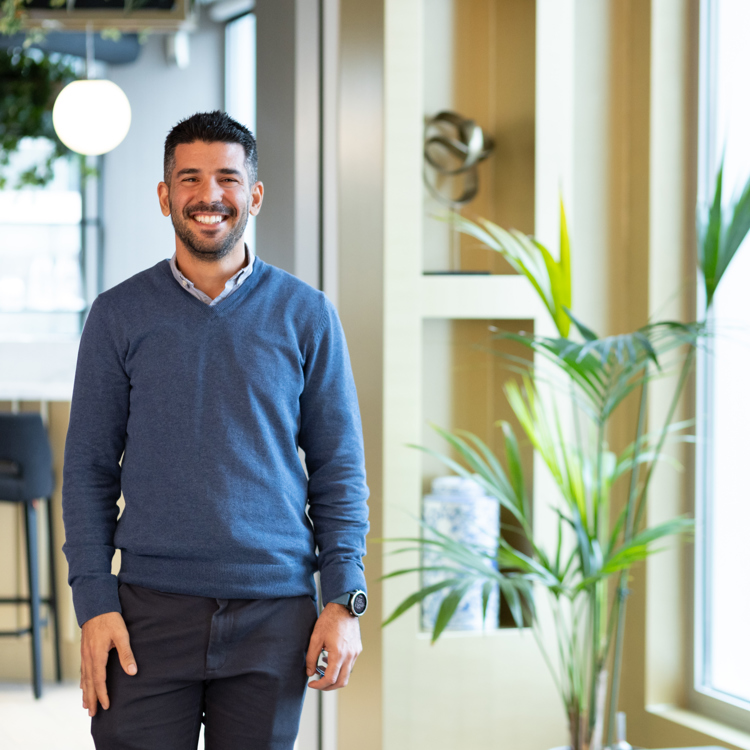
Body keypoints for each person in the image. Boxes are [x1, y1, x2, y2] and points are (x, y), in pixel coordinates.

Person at [61, 110, 370, 750]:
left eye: (228, 178)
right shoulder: (117, 315)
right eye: (190, 178)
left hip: (275, 615)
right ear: (165, 195)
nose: (209, 196)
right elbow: (89, 471)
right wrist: (95, 603)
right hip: (146, 613)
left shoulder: (307, 316)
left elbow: (339, 469)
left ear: (253, 195)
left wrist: (343, 600)